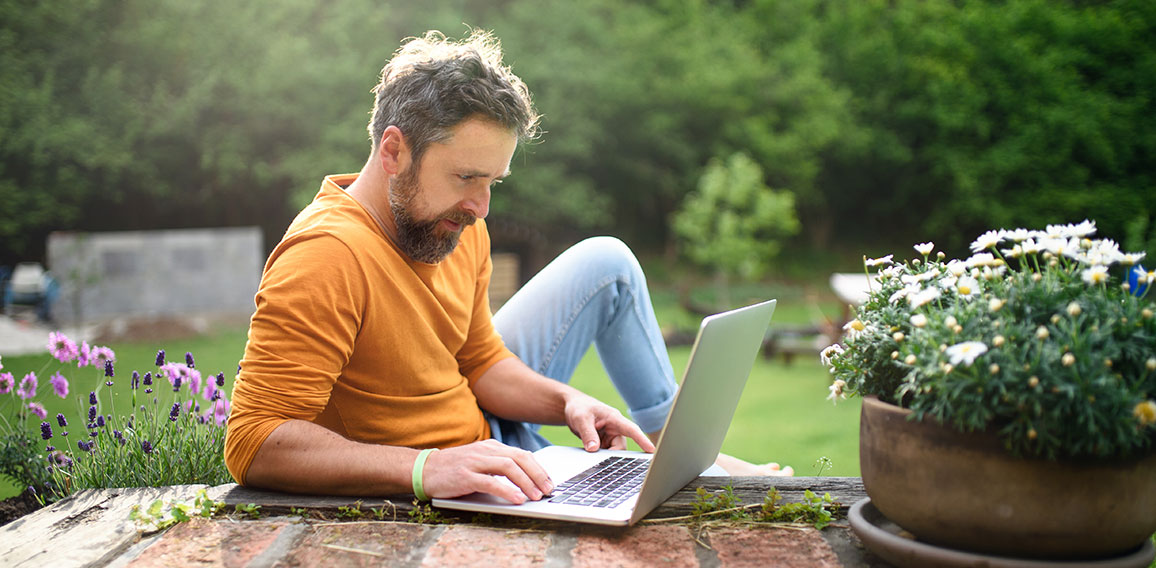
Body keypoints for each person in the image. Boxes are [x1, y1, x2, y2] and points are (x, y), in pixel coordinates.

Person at [224, 29, 790, 506]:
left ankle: (676, 456)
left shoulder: (452, 224)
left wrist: (563, 400)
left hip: (495, 443)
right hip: (459, 472)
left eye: (492, 183)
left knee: (609, 262)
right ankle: (693, 472)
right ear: (393, 152)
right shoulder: (327, 256)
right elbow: (253, 439)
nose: (481, 208)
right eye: (467, 178)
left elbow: (480, 359)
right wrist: (425, 470)